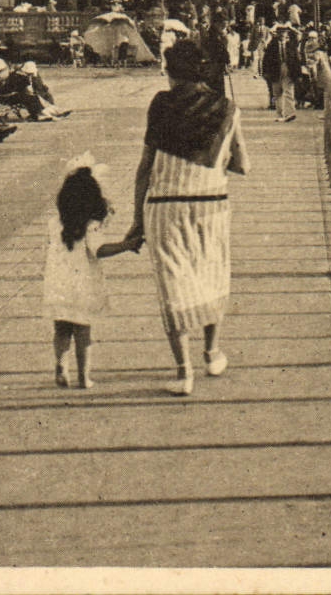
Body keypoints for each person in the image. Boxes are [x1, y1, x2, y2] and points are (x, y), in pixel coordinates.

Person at [123, 43, 250, 396]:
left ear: (171, 72)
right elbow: (243, 165)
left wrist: (137, 221)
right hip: (212, 206)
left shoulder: (161, 104)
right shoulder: (227, 108)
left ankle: (183, 373)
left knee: (173, 286)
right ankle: (212, 353)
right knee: (212, 277)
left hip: (165, 207)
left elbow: (144, 168)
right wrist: (212, 159)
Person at [45, 159, 132, 389]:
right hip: (82, 287)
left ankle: (61, 366)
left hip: (58, 285)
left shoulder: (54, 223)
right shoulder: (90, 226)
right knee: (83, 332)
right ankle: (84, 377)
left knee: (61, 329)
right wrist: (125, 245)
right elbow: (100, 249)